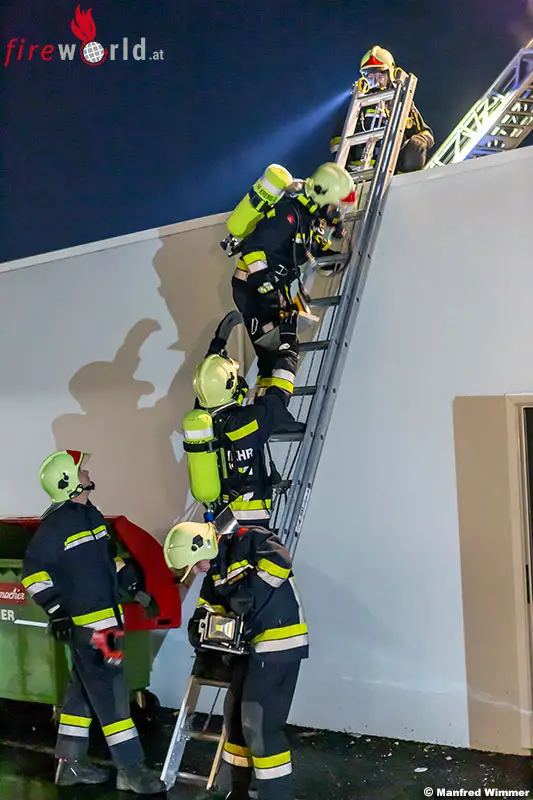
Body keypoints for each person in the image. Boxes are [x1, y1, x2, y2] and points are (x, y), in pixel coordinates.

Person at [21, 449, 166, 795]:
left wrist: (137, 590)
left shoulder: (91, 515)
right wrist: (57, 611)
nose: (86, 472)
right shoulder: (56, 526)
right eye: (80, 470)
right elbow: (33, 574)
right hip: (93, 630)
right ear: (69, 482)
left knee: (82, 692)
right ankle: (131, 769)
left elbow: (109, 561)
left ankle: (69, 764)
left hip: (108, 622)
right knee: (111, 694)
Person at [164, 516, 309, 800]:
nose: (198, 570)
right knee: (235, 722)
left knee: (259, 727)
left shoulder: (248, 538)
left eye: (196, 564)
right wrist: (199, 626)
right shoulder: (215, 571)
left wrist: (250, 594)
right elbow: (209, 607)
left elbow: (279, 562)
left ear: (200, 545)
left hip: (278, 647)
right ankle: (236, 791)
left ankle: (276, 795)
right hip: (248, 651)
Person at [231, 161, 355, 394]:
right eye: (334, 207)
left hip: (276, 288)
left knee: (279, 351)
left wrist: (337, 257)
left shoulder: (308, 219)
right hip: (253, 288)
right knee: (279, 349)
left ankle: (270, 401)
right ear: (320, 194)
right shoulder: (288, 214)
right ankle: (271, 403)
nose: (336, 213)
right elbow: (253, 249)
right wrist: (266, 287)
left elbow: (310, 249)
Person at [188, 320, 301, 528]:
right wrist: (289, 350)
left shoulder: (201, 421)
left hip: (221, 521)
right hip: (252, 523)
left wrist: (218, 344)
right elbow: (278, 395)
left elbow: (206, 384)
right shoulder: (248, 422)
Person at [330, 45, 435, 173]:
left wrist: (419, 140)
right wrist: (343, 170)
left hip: (391, 171)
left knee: (416, 145)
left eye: (380, 77)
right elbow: (337, 140)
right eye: (370, 78)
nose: (376, 83)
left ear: (390, 75)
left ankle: (403, 179)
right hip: (357, 170)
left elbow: (426, 134)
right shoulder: (355, 104)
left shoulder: (403, 104)